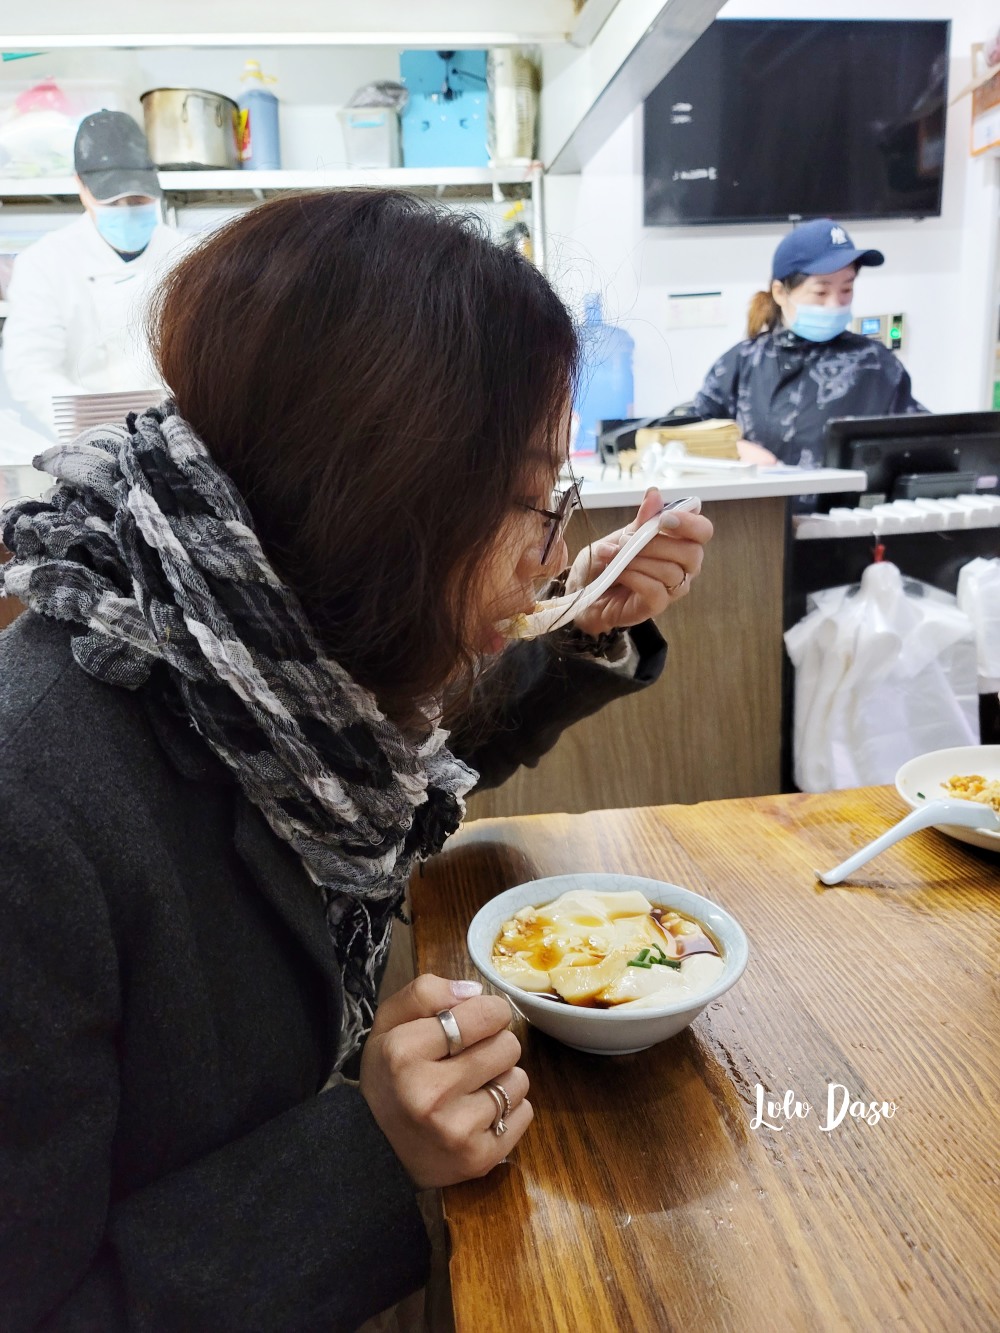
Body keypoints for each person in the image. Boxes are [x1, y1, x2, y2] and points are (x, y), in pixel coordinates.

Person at [0, 189, 713, 1331]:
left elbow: (391, 766)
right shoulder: (37, 811)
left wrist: (577, 625)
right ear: (387, 507)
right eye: (533, 499)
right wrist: (367, 1153)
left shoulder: (253, 656)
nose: (552, 544)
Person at [1, 110, 185, 432]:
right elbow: (29, 370)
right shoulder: (45, 263)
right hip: (84, 441)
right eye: (112, 202)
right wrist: (97, 428)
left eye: (137, 198)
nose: (126, 210)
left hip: (174, 436)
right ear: (81, 188)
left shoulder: (186, 254)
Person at [693, 218, 926, 467]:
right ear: (781, 292)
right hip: (764, 505)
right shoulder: (743, 362)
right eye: (821, 292)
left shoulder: (876, 364)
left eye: (846, 290)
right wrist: (733, 448)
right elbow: (686, 435)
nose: (835, 304)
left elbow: (923, 441)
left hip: (846, 505)